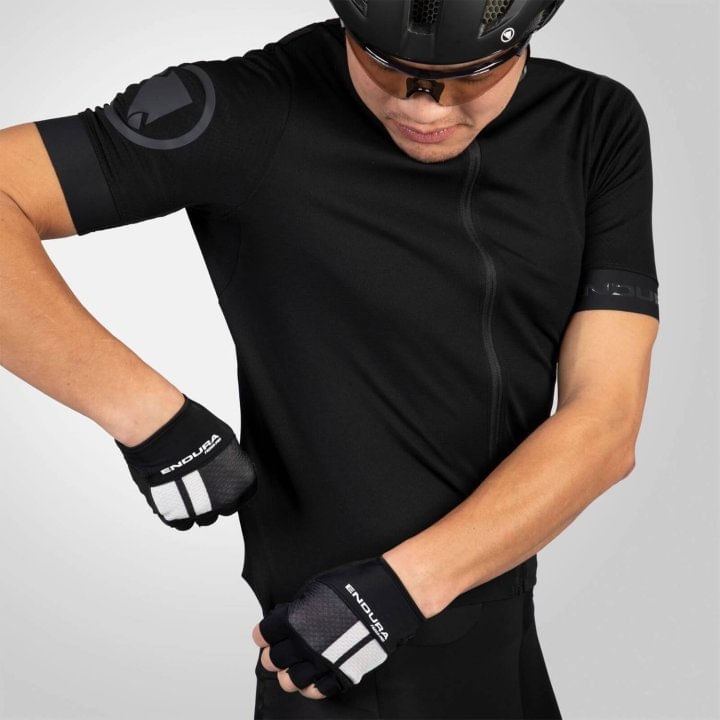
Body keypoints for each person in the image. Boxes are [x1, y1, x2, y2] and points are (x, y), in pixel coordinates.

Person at [0, 0, 660, 716]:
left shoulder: (594, 124)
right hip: (329, 658)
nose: (425, 107)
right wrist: (147, 416)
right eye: (389, 67)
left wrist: (400, 591)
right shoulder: (252, 108)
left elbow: (606, 423)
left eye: (470, 75)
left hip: (489, 647)